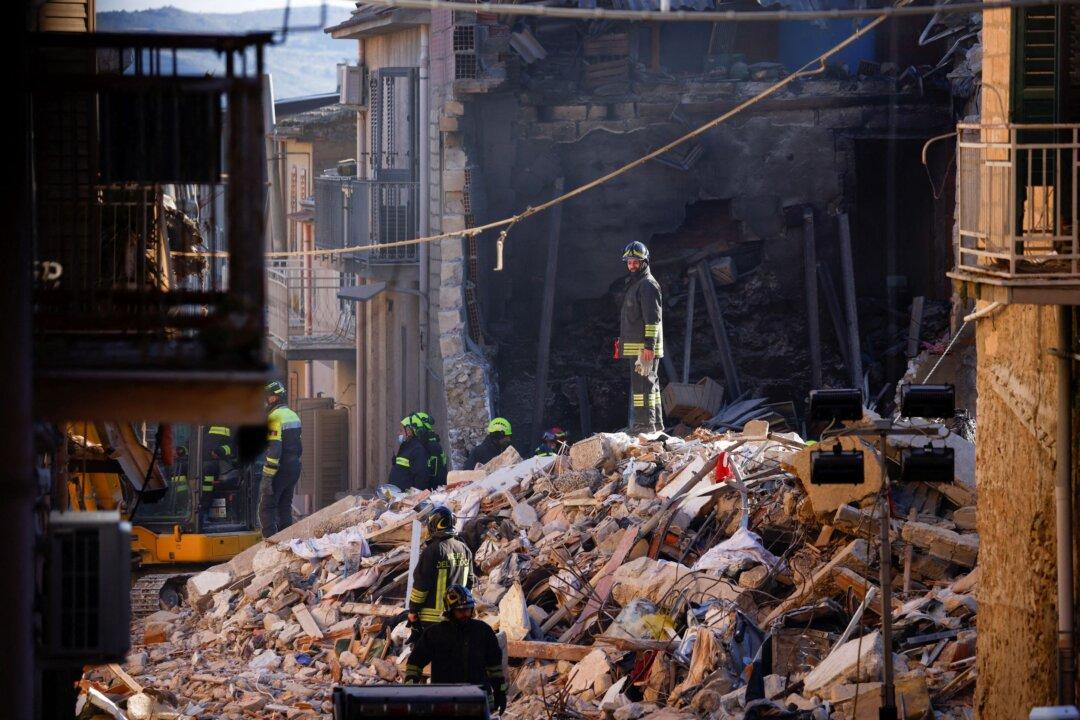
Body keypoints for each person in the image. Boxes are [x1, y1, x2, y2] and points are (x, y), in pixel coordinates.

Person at [404, 584, 507, 714]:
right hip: (444, 703)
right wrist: (409, 690)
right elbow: (415, 663)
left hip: (478, 702)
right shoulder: (434, 634)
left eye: (467, 609)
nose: (465, 614)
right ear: (450, 611)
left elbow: (495, 667)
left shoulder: (483, 631)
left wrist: (500, 693)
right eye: (460, 611)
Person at [617, 241, 664, 433]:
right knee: (649, 386)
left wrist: (649, 347)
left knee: (643, 389)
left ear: (644, 262)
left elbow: (653, 319)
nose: (632, 266)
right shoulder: (637, 284)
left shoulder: (646, 285)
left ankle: (644, 426)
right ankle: (655, 424)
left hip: (643, 349)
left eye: (636, 262)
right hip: (638, 347)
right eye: (629, 262)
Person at [408, 505, 474, 628]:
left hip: (433, 620)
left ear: (433, 525)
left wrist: (413, 610)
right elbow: (470, 583)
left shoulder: (432, 551)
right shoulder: (464, 549)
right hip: (459, 617)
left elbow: (421, 586)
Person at [259, 381, 303, 536]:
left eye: (267, 397)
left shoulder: (274, 418)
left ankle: (270, 544)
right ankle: (286, 540)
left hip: (281, 467)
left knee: (267, 507)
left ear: (275, 398)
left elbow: (275, 450)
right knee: (285, 505)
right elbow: (298, 446)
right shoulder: (293, 415)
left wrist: (267, 477)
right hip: (294, 466)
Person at [389, 415, 432, 491]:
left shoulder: (418, 449)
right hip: (397, 496)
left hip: (407, 498)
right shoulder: (405, 446)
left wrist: (413, 497)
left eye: (401, 430)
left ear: (409, 431)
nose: (398, 433)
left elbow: (421, 477)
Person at [201, 424, 233, 519]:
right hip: (203, 462)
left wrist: (220, 451)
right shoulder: (203, 423)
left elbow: (236, 445)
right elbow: (192, 442)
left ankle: (205, 509)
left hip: (222, 464)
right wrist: (182, 450)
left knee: (208, 468)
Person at [411, 411, 449, 488]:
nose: (414, 432)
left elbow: (429, 474)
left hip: (433, 490)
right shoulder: (433, 443)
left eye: (415, 428)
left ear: (421, 431)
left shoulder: (430, 447)